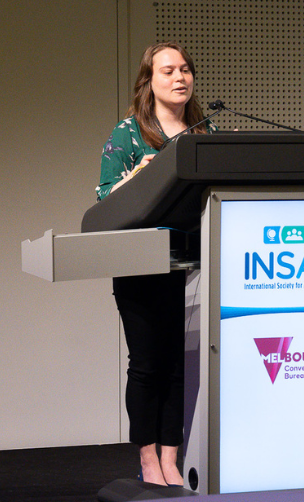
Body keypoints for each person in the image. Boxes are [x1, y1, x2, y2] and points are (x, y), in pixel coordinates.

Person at [96, 42, 212, 487]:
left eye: (185, 70)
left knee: (179, 366)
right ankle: (147, 460)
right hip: (141, 265)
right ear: (149, 80)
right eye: (169, 71)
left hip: (192, 264)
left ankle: (171, 457)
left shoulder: (203, 131)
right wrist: (136, 177)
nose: (180, 77)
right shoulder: (127, 133)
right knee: (148, 364)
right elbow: (105, 197)